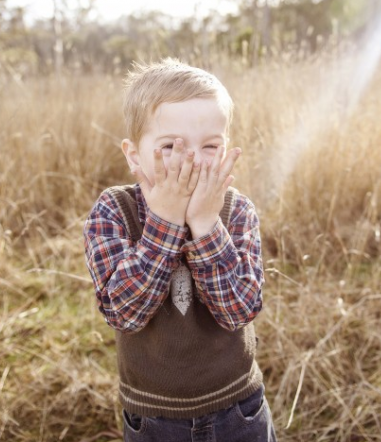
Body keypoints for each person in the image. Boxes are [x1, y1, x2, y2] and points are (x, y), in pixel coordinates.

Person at [83, 58, 276, 441]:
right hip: (155, 418)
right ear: (134, 155)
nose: (191, 160)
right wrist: (165, 223)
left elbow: (239, 309)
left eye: (210, 145)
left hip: (238, 408)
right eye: (171, 145)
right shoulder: (113, 211)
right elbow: (125, 313)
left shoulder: (236, 211)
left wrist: (206, 225)